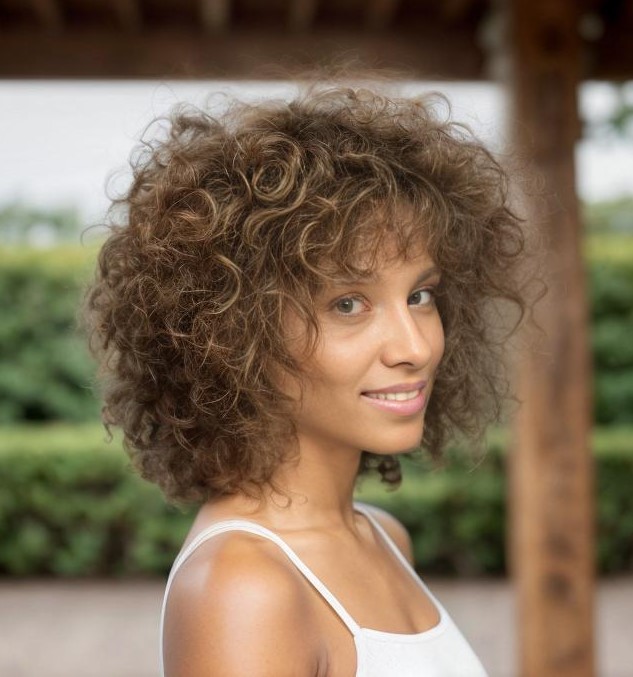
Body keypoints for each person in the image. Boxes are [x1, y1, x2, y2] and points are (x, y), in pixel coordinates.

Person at [84, 81, 526, 676]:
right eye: (349, 304)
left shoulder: (383, 538)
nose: (417, 347)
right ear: (235, 332)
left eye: (420, 295)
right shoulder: (244, 588)